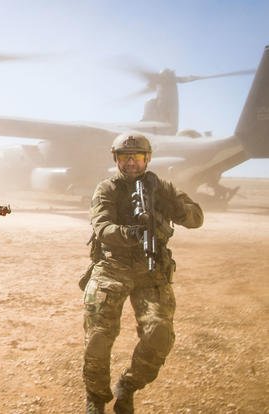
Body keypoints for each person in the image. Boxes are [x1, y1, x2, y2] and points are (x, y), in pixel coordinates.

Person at [81, 133, 204, 414]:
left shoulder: (161, 187)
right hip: (112, 267)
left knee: (160, 334)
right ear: (116, 159)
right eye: (125, 157)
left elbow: (197, 217)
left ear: (147, 158)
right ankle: (97, 398)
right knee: (98, 337)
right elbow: (103, 228)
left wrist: (176, 208)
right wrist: (130, 233)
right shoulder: (107, 189)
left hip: (151, 270)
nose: (132, 162)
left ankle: (128, 386)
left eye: (137, 156)